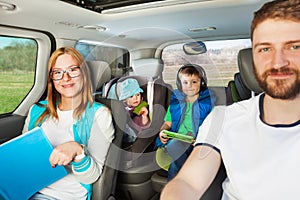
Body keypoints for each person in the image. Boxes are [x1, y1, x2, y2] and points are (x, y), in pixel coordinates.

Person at [161, 0, 300, 199]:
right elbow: (188, 182)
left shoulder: (208, 104)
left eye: (294, 46)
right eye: (265, 49)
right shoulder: (224, 118)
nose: (278, 62)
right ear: (252, 59)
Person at [23, 46, 115, 200]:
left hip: (62, 195)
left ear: (84, 73)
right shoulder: (36, 110)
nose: (66, 78)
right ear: (52, 78)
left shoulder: (100, 115)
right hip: (25, 188)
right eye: (58, 72)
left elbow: (91, 177)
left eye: (72, 70)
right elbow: (24, 156)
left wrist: (78, 151)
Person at [154, 64, 215, 180]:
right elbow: (167, 123)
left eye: (194, 82)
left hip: (196, 142)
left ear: (201, 83)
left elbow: (211, 126)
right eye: (185, 82)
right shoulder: (176, 104)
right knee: (174, 145)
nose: (190, 86)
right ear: (179, 84)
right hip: (178, 140)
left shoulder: (207, 104)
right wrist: (162, 132)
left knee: (175, 163)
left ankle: (175, 190)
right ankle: (189, 176)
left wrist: (203, 139)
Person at [117, 78, 150, 142]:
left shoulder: (141, 107)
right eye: (131, 96)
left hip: (134, 133)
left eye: (138, 95)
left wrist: (144, 116)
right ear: (124, 99)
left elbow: (145, 125)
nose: (135, 98)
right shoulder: (121, 107)